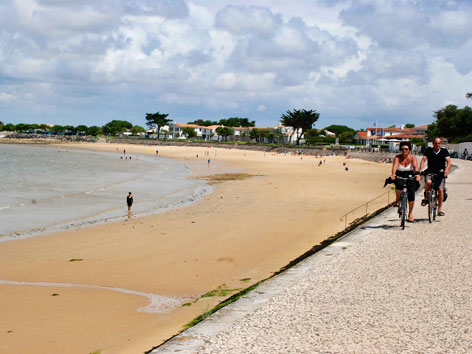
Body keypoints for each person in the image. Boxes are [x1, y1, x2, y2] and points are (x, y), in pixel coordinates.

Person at [419, 137, 451, 216]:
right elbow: (423, 160)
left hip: (440, 173)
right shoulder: (429, 150)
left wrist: (446, 171)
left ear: (441, 144)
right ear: (433, 143)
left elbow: (449, 162)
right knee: (428, 182)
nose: (437, 145)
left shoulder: (444, 151)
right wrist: (420, 170)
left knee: (440, 190)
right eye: (436, 143)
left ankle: (439, 210)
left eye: (439, 143)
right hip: (430, 171)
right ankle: (426, 198)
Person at [391, 141, 420, 222]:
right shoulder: (397, 158)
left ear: (409, 150)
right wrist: (393, 174)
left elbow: (415, 167)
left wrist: (417, 175)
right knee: (398, 186)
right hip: (400, 174)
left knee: (411, 195)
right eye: (402, 149)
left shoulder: (413, 157)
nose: (404, 151)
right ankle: (397, 200)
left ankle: (410, 213)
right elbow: (394, 167)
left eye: (406, 149)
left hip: (410, 175)